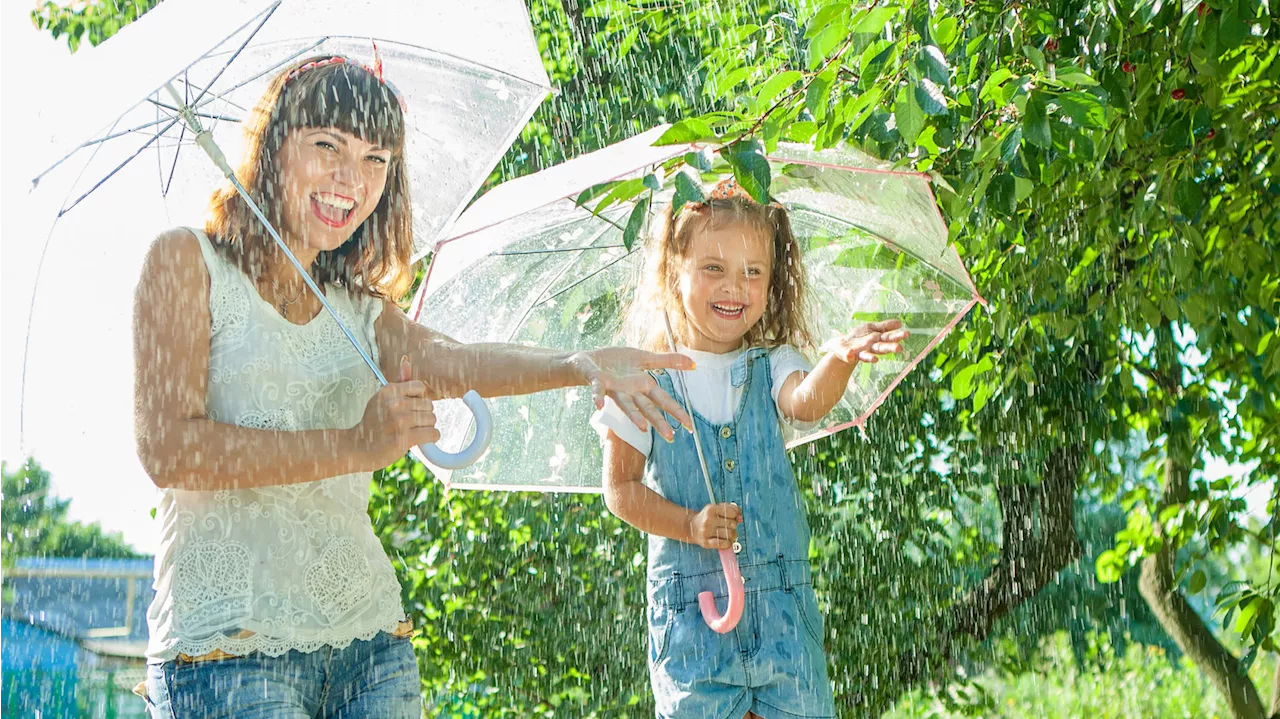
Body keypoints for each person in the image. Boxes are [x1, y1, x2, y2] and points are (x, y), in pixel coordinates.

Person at [132, 54, 693, 719]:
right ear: (273, 147)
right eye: (327, 146)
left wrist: (578, 362)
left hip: (369, 642)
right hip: (224, 650)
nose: (352, 179)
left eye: (376, 159)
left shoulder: (357, 308)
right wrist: (353, 444)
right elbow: (169, 450)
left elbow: (455, 361)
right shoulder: (185, 262)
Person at [593, 178, 907, 719]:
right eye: (713, 268)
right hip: (693, 624)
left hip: (783, 617)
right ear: (674, 268)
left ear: (771, 281)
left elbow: (807, 403)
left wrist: (840, 358)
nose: (733, 287)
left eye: (752, 272)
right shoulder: (643, 378)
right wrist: (688, 526)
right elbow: (619, 490)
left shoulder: (775, 362)